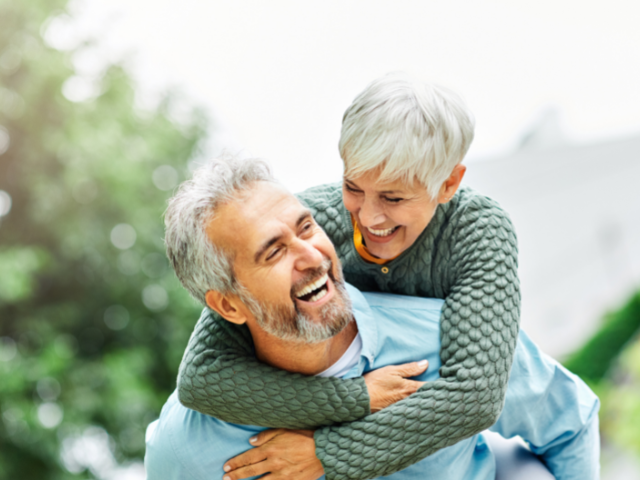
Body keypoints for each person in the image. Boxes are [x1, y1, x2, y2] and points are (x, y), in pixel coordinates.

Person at [145, 158, 600, 480]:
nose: (311, 256)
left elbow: (570, 422)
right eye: (274, 251)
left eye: (306, 228)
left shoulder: (445, 340)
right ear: (227, 305)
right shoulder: (186, 450)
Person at [175, 73, 521, 479]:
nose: (369, 217)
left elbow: (474, 397)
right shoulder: (306, 224)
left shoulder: (478, 232)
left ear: (448, 184)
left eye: (393, 197)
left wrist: (328, 454)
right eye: (353, 186)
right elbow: (204, 377)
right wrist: (355, 398)